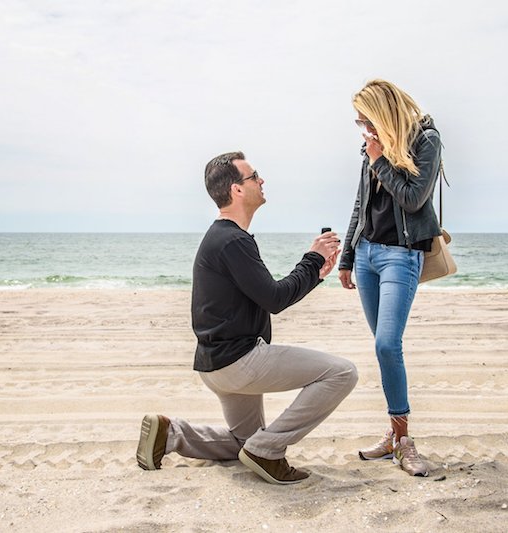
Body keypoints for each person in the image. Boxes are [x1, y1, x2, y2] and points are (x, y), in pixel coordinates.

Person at [136, 151, 358, 485]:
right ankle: (268, 450)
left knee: (244, 441)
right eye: (255, 176)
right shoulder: (231, 241)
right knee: (342, 373)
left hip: (215, 366)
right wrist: (312, 259)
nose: (262, 180)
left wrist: (316, 272)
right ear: (237, 190)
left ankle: (172, 435)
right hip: (240, 361)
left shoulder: (223, 238)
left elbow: (269, 294)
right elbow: (275, 299)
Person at [338, 79, 443, 476]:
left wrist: (381, 158)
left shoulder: (425, 140)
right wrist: (348, 255)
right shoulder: (369, 147)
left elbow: (415, 199)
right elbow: (360, 205)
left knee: (387, 344)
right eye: (359, 122)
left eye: (365, 119)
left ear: (383, 113)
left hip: (402, 256)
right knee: (383, 348)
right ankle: (394, 435)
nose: (362, 128)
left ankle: (403, 440)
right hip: (366, 256)